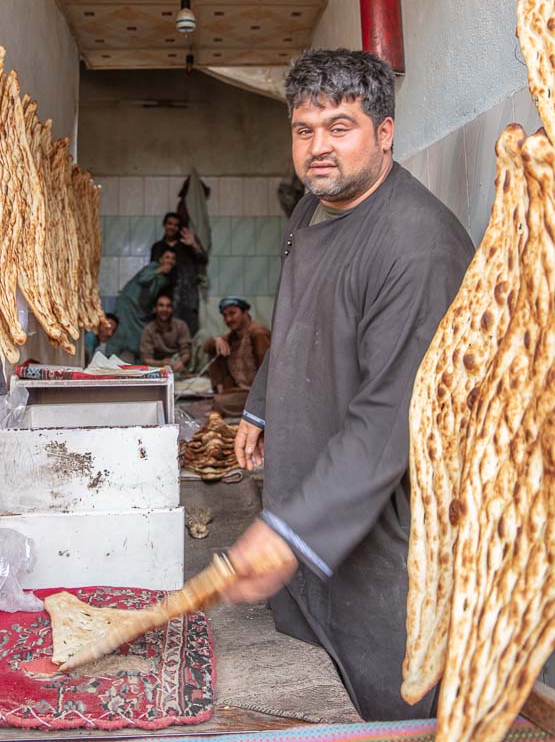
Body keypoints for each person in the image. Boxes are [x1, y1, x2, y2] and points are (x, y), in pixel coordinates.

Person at [225, 48, 475, 721]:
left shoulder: (416, 245)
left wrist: (293, 532)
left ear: (384, 132)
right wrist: (260, 407)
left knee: (396, 706)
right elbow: (298, 316)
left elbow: (388, 420)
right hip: (306, 495)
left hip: (381, 532)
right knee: (314, 691)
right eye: (305, 131)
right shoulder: (314, 209)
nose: (318, 150)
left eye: (339, 127)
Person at [202, 297, 270, 417]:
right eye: (225, 315)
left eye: (232, 313)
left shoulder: (257, 332)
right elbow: (206, 347)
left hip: (258, 394)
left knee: (220, 402)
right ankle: (221, 393)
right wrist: (216, 340)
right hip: (239, 390)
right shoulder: (232, 337)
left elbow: (267, 371)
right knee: (215, 347)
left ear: (245, 312)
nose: (228, 319)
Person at [106, 250, 177, 362]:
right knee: (120, 334)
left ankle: (139, 365)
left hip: (141, 312)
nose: (170, 261)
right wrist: (159, 270)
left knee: (141, 337)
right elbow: (143, 279)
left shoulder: (167, 279)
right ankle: (108, 362)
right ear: (161, 260)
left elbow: (154, 295)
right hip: (128, 306)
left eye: (173, 258)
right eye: (167, 257)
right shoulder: (153, 267)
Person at [151, 212, 208, 336]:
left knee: (190, 336)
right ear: (164, 225)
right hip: (167, 300)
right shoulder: (157, 247)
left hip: (188, 298)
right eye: (169, 223)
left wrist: (194, 245)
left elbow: (203, 260)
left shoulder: (187, 245)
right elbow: (152, 270)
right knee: (168, 337)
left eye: (176, 225)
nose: (172, 227)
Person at [139, 294, 192, 372]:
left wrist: (181, 362)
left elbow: (186, 351)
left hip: (180, 364)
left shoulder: (181, 325)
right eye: (161, 305)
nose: (165, 309)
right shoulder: (148, 330)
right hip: (159, 368)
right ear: (155, 309)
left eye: (168, 306)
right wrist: (161, 363)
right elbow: (146, 359)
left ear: (172, 309)